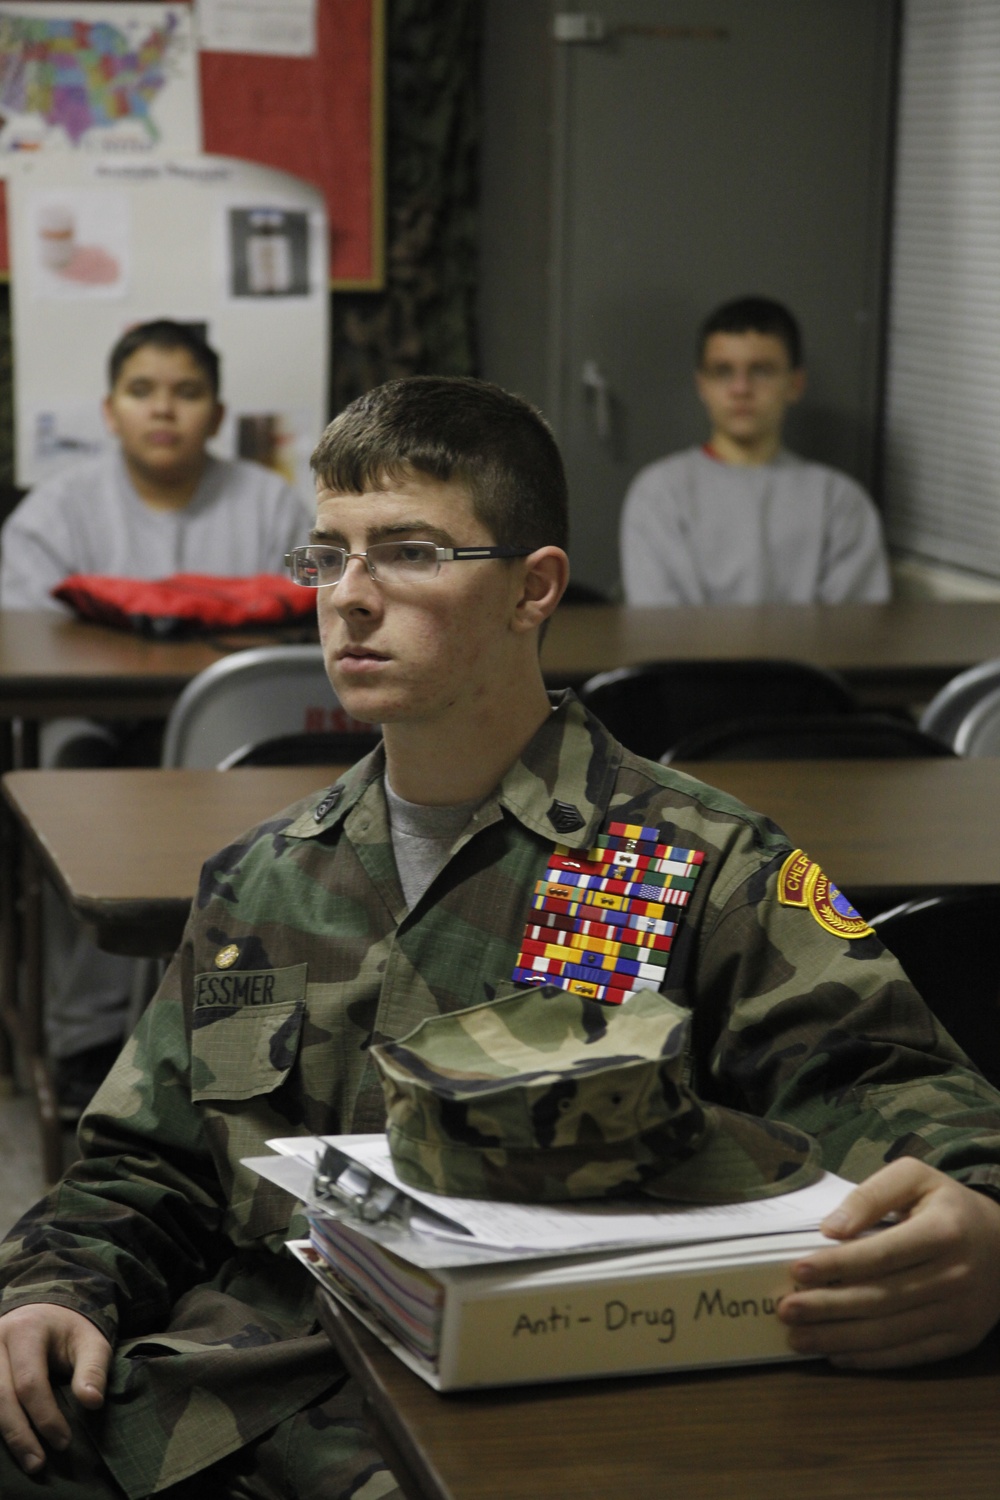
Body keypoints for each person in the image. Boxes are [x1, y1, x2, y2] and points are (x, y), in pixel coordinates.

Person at [1, 375, 1000, 1500]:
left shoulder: (689, 862)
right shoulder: (266, 879)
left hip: (538, 1405)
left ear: (533, 589)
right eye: (328, 555)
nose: (350, 598)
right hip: (239, 1393)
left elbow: (885, 1082)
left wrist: (980, 1216)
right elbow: (150, 1163)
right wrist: (54, 1287)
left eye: (410, 552)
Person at [0, 319, 314, 1114]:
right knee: (67, 779)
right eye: (143, 392)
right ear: (111, 410)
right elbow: (24, 639)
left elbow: (317, 615)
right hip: (96, 725)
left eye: (186, 392)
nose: (163, 410)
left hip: (235, 731)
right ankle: (87, 1038)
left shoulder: (274, 504)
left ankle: (255, 1028)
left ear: (215, 410)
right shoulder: (54, 511)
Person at [619, 296, 892, 604]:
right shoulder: (659, 493)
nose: (741, 389)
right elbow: (660, 625)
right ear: (701, 385)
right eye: (723, 371)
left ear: (795, 383)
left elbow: (854, 630)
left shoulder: (838, 500)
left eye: (761, 371)